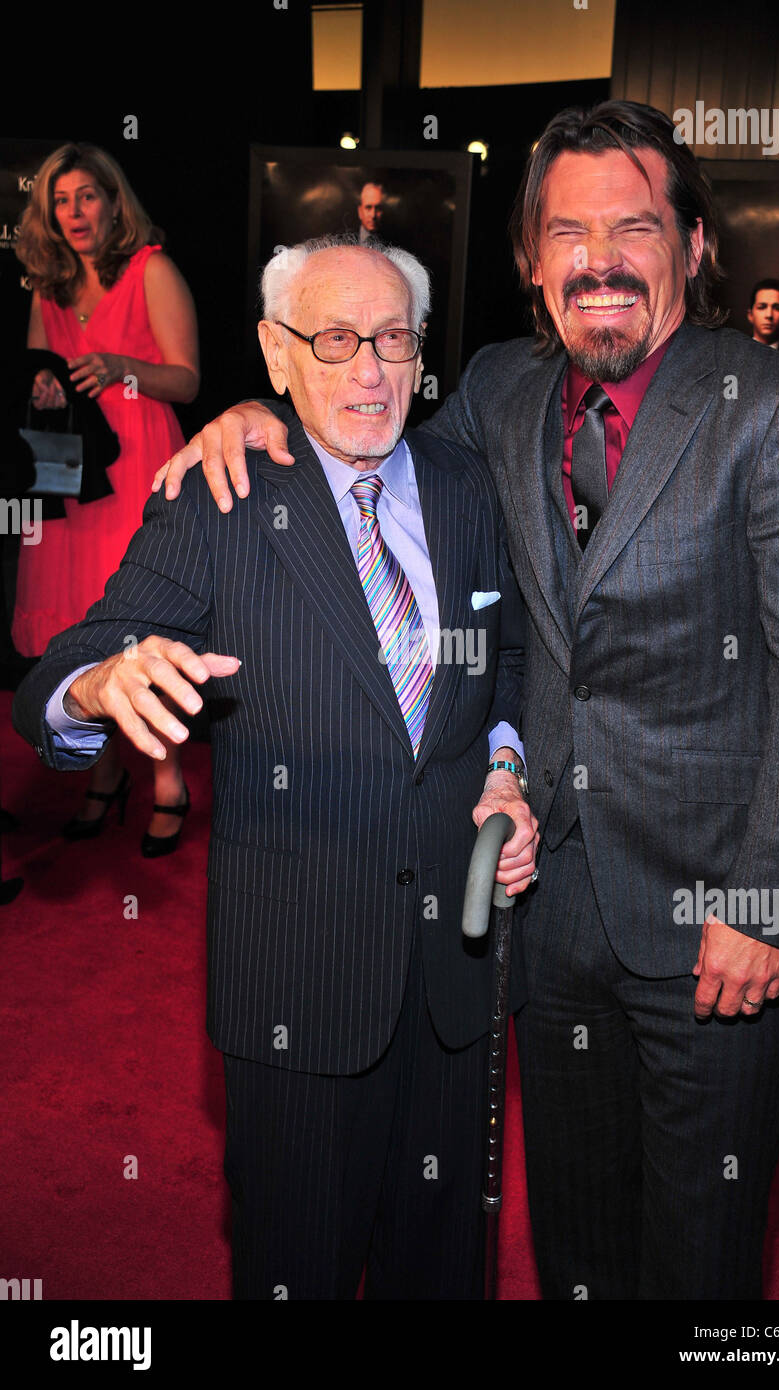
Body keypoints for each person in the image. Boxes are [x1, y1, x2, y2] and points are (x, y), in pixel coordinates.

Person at [156, 101, 779, 1302]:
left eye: (635, 227)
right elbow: (372, 440)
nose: (600, 260)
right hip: (541, 914)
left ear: (693, 245)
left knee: (701, 1254)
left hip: (714, 913)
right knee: (573, 1240)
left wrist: (769, 906)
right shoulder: (496, 389)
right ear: (533, 262)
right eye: (568, 232)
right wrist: (260, 411)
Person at [13, 236, 538, 1299]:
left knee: (442, 1270)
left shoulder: (466, 487)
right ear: (274, 349)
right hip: (296, 984)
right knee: (292, 1266)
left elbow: (514, 656)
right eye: (334, 338)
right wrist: (101, 684)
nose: (370, 370)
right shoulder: (218, 498)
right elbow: (62, 671)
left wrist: (506, 765)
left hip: (455, 980)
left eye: (393, 337)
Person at [13, 142, 199, 855]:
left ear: (113, 201)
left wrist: (126, 366)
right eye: (61, 201)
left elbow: (185, 379)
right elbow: (41, 372)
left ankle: (169, 781)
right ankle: (102, 774)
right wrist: (46, 385)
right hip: (71, 465)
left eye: (88, 195)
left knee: (140, 620)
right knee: (78, 621)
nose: (75, 212)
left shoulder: (152, 268)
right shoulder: (48, 286)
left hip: (142, 457)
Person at [747, 277, 779, 345]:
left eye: (777, 308)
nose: (769, 315)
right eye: (761, 307)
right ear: (750, 315)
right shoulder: (733, 352)